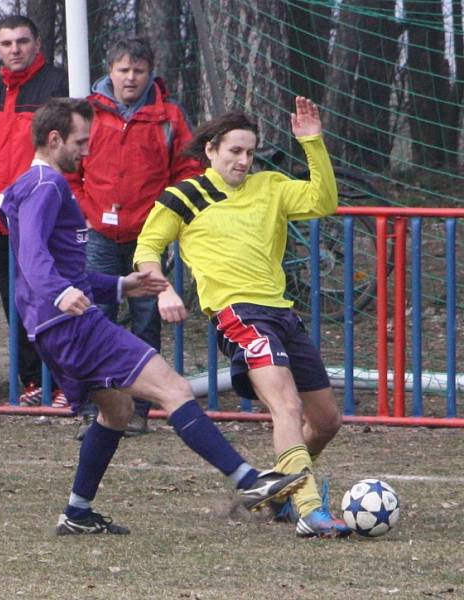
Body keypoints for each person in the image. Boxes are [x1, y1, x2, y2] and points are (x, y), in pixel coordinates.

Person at [0, 97, 307, 535]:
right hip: (71, 324)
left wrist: (119, 285)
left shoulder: (31, 186)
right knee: (174, 389)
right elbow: (32, 256)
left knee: (118, 411)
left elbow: (61, 265)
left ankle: (78, 513)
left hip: (53, 328)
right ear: (54, 139)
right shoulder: (47, 186)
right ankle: (250, 481)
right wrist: (61, 292)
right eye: (81, 142)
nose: (86, 151)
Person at [134, 98, 351, 539]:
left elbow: (323, 201)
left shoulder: (269, 186)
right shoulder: (183, 196)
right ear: (211, 150)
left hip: (282, 314)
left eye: (250, 152)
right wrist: (165, 290)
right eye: (235, 151)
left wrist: (313, 143)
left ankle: (277, 488)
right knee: (286, 405)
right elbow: (147, 250)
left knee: (326, 421)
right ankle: (308, 509)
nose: (243, 160)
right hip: (237, 315)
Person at [69, 36, 200, 438]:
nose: (130, 77)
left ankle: (140, 408)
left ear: (150, 73)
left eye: (138, 70)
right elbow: (70, 169)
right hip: (99, 234)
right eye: (123, 69)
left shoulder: (169, 117)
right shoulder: (87, 113)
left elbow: (188, 169)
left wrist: (169, 215)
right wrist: (83, 212)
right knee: (95, 319)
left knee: (146, 321)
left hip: (149, 237)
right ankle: (104, 408)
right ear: (109, 70)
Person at [0, 15, 69, 407]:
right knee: (17, 304)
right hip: (0, 216)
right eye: (7, 43)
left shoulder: (58, 85)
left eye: (22, 41)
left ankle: (64, 380)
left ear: (38, 43)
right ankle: (32, 381)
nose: (15, 49)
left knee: (53, 298)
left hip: (43, 216)